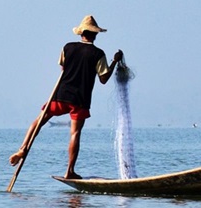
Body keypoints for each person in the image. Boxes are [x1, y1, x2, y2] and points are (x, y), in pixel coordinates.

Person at [9, 15, 124, 179]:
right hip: (80, 100)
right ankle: (69, 171)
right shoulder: (98, 53)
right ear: (95, 35)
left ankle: (23, 147)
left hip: (60, 95)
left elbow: (63, 68)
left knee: (39, 120)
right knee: (75, 133)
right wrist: (114, 61)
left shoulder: (67, 48)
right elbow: (103, 79)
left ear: (81, 33)